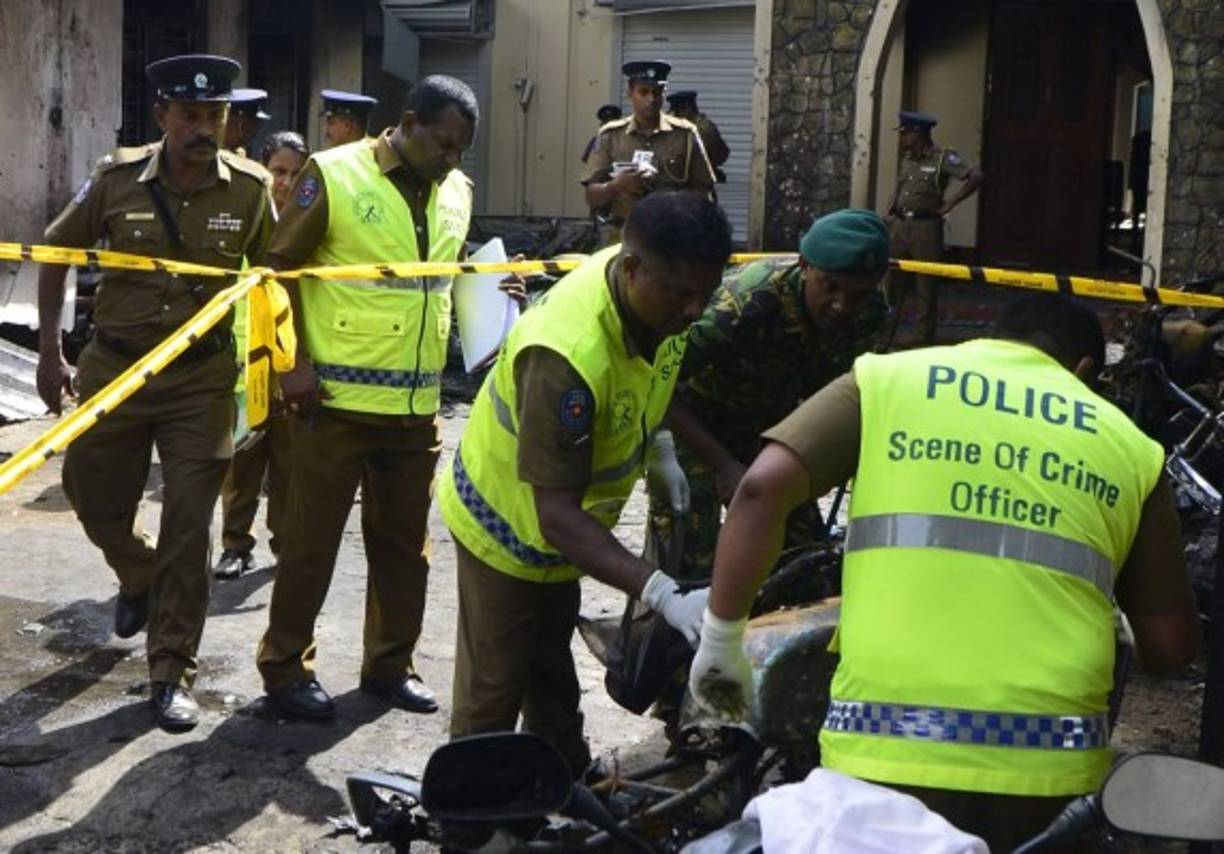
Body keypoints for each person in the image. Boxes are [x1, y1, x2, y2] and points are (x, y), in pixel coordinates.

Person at [688, 293, 1201, 851]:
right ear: (1082, 371)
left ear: (984, 341)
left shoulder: (887, 381)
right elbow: (1170, 648)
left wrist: (720, 641)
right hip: (1049, 770)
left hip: (883, 748)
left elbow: (761, 488)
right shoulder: (1131, 446)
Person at [437, 192, 733, 775]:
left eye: (707, 291)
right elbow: (556, 517)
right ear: (631, 270)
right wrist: (661, 592)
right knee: (494, 685)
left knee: (548, 659)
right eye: (681, 293)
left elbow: (653, 376)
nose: (696, 309)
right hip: (509, 527)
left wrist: (675, 450)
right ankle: (468, 819)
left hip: (564, 535)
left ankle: (565, 776)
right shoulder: (567, 357)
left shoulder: (656, 296)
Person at [35, 54, 276, 731]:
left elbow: (275, 280)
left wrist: (273, 373)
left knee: (188, 527)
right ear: (162, 115)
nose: (205, 128)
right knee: (90, 494)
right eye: (192, 115)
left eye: (216, 116)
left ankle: (171, 671)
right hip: (114, 367)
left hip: (200, 378)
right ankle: (137, 575)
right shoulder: (114, 180)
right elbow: (53, 254)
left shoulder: (252, 191)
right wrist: (53, 353)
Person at [254, 75, 478, 721]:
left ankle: (389, 665)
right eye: (442, 143)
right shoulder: (333, 174)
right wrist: (291, 363)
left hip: (414, 411)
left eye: (462, 148)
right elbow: (277, 274)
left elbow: (447, 278)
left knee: (406, 548)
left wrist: (496, 295)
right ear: (407, 124)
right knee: (309, 543)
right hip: (332, 406)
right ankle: (285, 667)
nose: (452, 158)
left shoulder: (457, 191)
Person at [646, 209, 889, 580]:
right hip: (694, 425)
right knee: (688, 552)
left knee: (802, 554)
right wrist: (725, 467)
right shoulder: (744, 303)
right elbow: (659, 384)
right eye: (831, 287)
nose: (843, 306)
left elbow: (844, 391)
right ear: (805, 266)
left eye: (858, 294)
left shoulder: (871, 312)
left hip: (771, 428)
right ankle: (663, 635)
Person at [213, 131, 311, 580]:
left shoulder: (311, 224)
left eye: (294, 174)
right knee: (243, 461)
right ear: (262, 169)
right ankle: (236, 544)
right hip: (245, 363)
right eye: (278, 171)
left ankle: (287, 543)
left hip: (289, 361)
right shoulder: (244, 218)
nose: (285, 182)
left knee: (291, 463)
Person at [581, 61, 715, 247]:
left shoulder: (686, 134)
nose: (651, 99)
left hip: (672, 237)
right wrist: (615, 186)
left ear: (664, 93)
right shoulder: (611, 136)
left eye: (657, 92)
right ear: (630, 92)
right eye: (643, 92)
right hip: (622, 237)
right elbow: (591, 196)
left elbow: (704, 191)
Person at [883, 110, 984, 345]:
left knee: (925, 285)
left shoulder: (943, 158)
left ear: (918, 134)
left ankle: (921, 338)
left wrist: (950, 204)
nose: (902, 139)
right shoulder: (907, 158)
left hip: (925, 228)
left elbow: (976, 176)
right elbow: (899, 186)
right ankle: (883, 336)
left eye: (905, 134)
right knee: (891, 285)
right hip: (900, 225)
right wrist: (890, 210)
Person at [665, 90, 729, 182]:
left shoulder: (701, 129)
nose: (675, 116)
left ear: (686, 109)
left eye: (676, 112)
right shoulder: (705, 125)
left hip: (694, 184)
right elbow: (723, 153)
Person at [223, 87, 271, 157]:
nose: (256, 129)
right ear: (241, 124)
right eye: (254, 123)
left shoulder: (239, 154)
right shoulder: (210, 155)